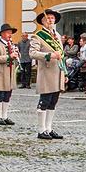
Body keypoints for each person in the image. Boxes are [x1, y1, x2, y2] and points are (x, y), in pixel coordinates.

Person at [29, 9, 67, 140]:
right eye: (48, 18)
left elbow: (61, 55)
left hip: (58, 72)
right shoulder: (38, 35)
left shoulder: (56, 35)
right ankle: (41, 130)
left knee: (53, 102)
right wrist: (49, 55)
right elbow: (32, 53)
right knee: (44, 101)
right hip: (46, 73)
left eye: (52, 18)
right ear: (43, 22)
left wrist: (65, 73)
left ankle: (49, 128)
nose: (50, 20)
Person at [0, 24, 18, 125]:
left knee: (7, 96)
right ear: (2, 34)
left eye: (11, 33)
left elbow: (15, 58)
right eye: (8, 33)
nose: (10, 35)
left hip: (10, 73)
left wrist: (17, 54)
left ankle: (5, 116)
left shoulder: (12, 45)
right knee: (0, 95)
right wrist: (9, 56)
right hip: (0, 74)